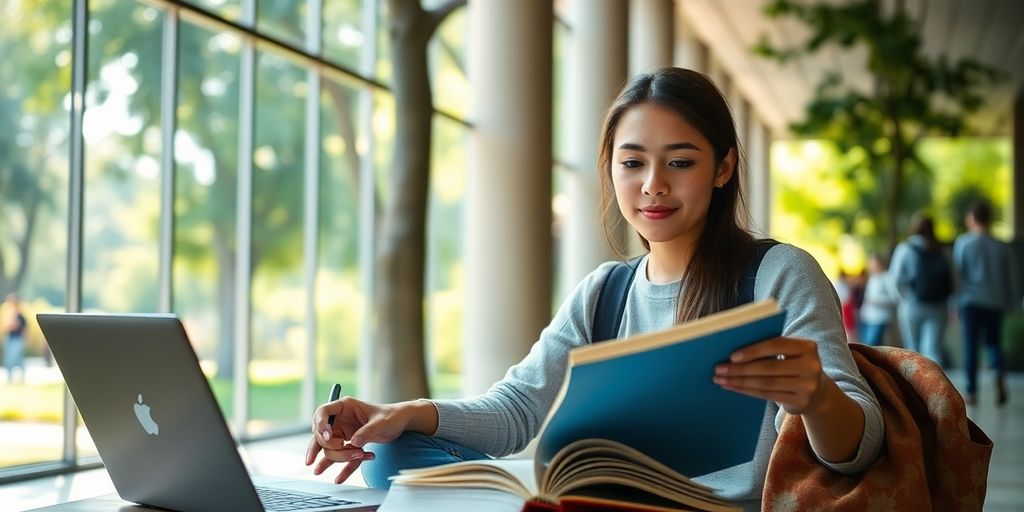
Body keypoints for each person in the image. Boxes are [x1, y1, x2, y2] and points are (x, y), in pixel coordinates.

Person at [305, 67, 884, 507]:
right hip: (596, 504)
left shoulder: (778, 274)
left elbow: (859, 448)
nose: (653, 185)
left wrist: (816, 400)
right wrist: (398, 412)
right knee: (390, 451)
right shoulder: (605, 290)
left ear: (724, 167)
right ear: (611, 167)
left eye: (680, 162)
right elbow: (515, 413)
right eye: (633, 163)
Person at [953, 200, 1018, 406]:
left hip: (971, 301)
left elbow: (957, 276)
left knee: (971, 346)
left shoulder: (963, 243)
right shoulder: (1002, 247)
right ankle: (998, 371)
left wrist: (955, 302)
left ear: (971, 219)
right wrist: (1013, 302)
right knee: (994, 343)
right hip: (995, 302)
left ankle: (972, 391)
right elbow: (1013, 277)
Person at [890, 213, 953, 364]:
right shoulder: (942, 250)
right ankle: (935, 386)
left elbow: (895, 278)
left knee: (912, 350)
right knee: (933, 349)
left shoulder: (905, 248)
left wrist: (902, 299)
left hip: (912, 304)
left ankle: (913, 387)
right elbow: (954, 279)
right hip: (938, 305)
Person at [858, 254, 899, 346]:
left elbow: (895, 298)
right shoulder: (872, 278)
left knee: (874, 345)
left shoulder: (888, 277)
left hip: (881, 318)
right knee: (866, 344)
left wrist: (877, 301)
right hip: (868, 317)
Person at [3, 293, 27, 384]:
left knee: (13, 360)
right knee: (14, 360)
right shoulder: (10, 315)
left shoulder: (20, 316)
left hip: (17, 340)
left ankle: (17, 379)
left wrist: (24, 342)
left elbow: (22, 329)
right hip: (10, 339)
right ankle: (12, 379)